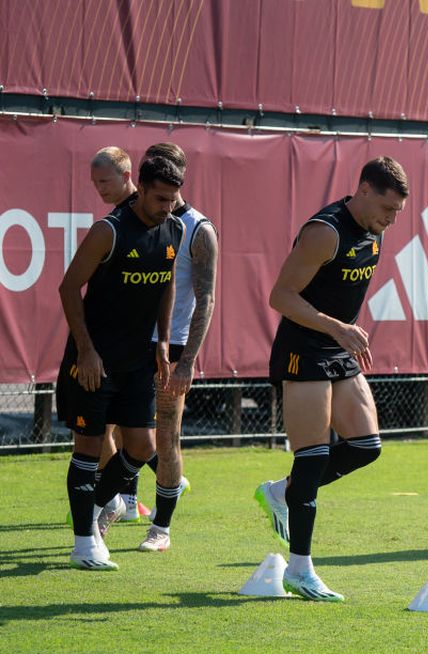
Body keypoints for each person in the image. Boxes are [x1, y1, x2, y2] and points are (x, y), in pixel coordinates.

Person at [255, 156, 408, 601]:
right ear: (362, 190)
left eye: (398, 211)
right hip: (304, 351)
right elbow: (280, 296)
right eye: (387, 208)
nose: (392, 219)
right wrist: (338, 328)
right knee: (312, 459)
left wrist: (344, 334)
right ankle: (299, 570)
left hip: (337, 350)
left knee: (365, 447)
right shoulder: (325, 231)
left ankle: (280, 493)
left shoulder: (373, 231)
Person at [57, 156, 186, 570]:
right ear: (141, 188)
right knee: (89, 448)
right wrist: (86, 350)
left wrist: (163, 341)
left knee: (143, 446)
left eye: (173, 198)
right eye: (161, 198)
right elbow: (68, 287)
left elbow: (165, 287)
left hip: (138, 361)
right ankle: (83, 545)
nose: (168, 206)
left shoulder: (175, 229)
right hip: (94, 360)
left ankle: (96, 509)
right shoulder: (108, 231)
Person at [136, 142, 219, 552]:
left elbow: (206, 298)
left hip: (172, 347)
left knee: (167, 435)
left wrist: (187, 362)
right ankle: (115, 501)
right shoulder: (136, 217)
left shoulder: (198, 229)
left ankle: (161, 528)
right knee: (120, 430)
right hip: (129, 342)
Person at [88, 147, 148, 521]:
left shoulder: (146, 217)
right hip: (115, 344)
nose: (99, 189)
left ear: (127, 175)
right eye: (95, 183)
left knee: (132, 433)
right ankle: (120, 498)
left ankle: (114, 498)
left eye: (105, 181)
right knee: (113, 429)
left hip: (138, 347)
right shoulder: (114, 222)